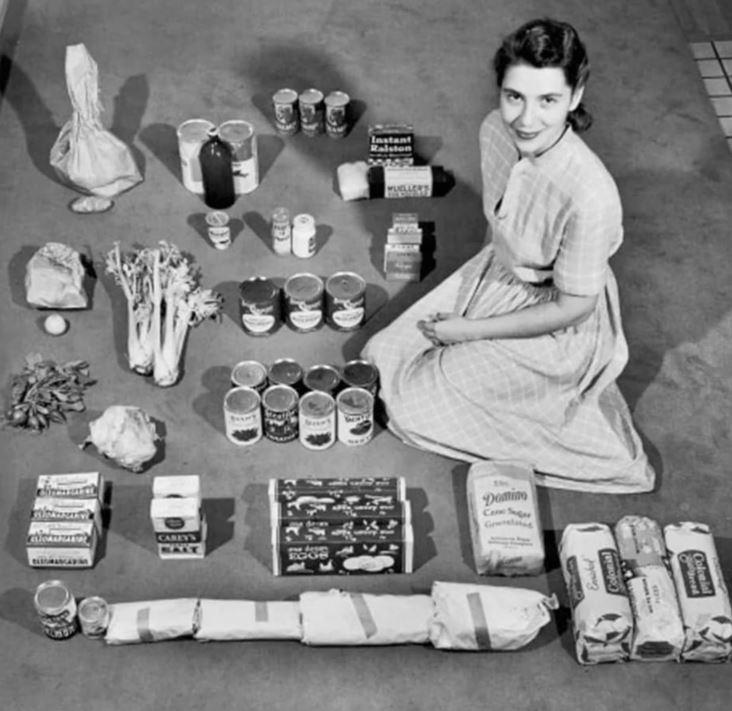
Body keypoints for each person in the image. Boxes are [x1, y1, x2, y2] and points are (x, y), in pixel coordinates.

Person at [361, 18, 655, 493]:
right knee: (381, 359)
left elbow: (573, 306)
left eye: (548, 101)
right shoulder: (494, 129)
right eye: (514, 96)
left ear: (575, 96)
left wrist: (471, 331)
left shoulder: (592, 195)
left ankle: (569, 416)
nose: (526, 119)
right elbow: (502, 224)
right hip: (500, 275)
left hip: (561, 322)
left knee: (412, 403)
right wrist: (474, 296)